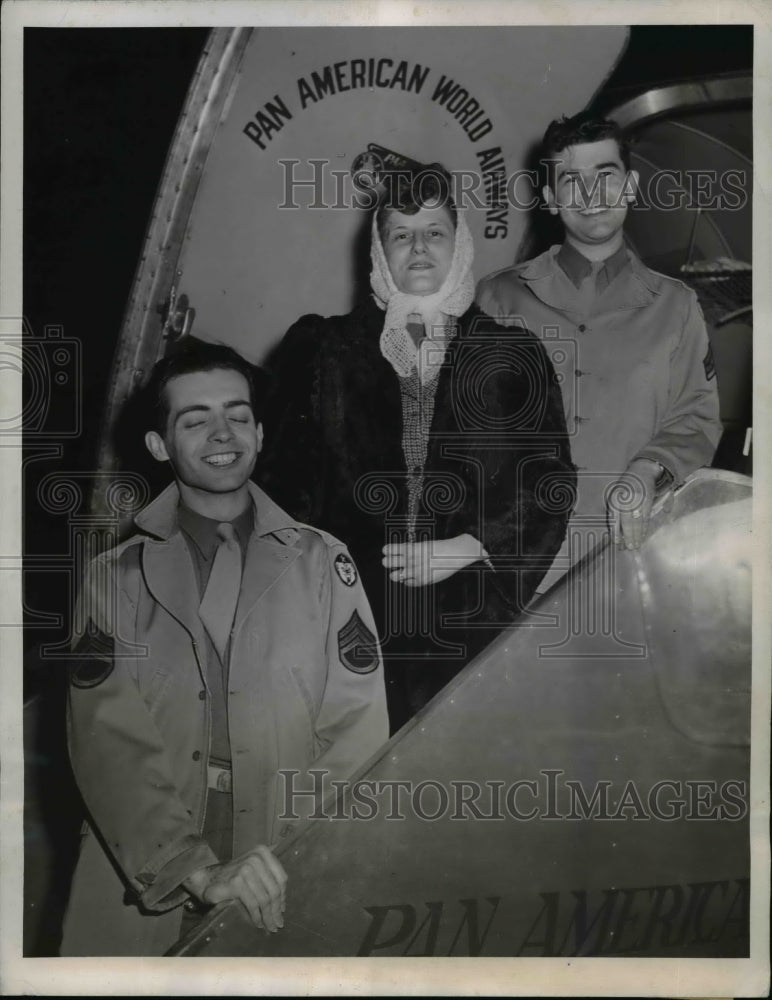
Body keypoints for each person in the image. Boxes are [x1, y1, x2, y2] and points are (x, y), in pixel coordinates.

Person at [60, 341, 388, 956]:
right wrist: (196, 869)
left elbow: (357, 732)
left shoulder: (322, 562)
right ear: (159, 445)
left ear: (259, 434)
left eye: (238, 415)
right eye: (195, 420)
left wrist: (295, 853)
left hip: (283, 850)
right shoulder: (114, 579)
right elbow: (108, 742)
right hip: (147, 857)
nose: (222, 433)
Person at [257, 163, 574, 733]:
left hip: (470, 617)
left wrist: (473, 544)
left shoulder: (511, 354)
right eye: (401, 235)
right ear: (379, 252)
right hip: (347, 616)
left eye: (435, 232)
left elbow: (548, 481)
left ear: (461, 244)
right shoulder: (324, 349)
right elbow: (283, 490)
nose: (419, 247)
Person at [477, 114, 721, 589]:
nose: (591, 193)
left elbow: (696, 416)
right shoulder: (497, 298)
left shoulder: (676, 306)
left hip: (630, 558)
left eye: (605, 175)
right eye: (571, 180)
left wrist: (647, 471)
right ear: (550, 199)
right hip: (510, 563)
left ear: (630, 187)